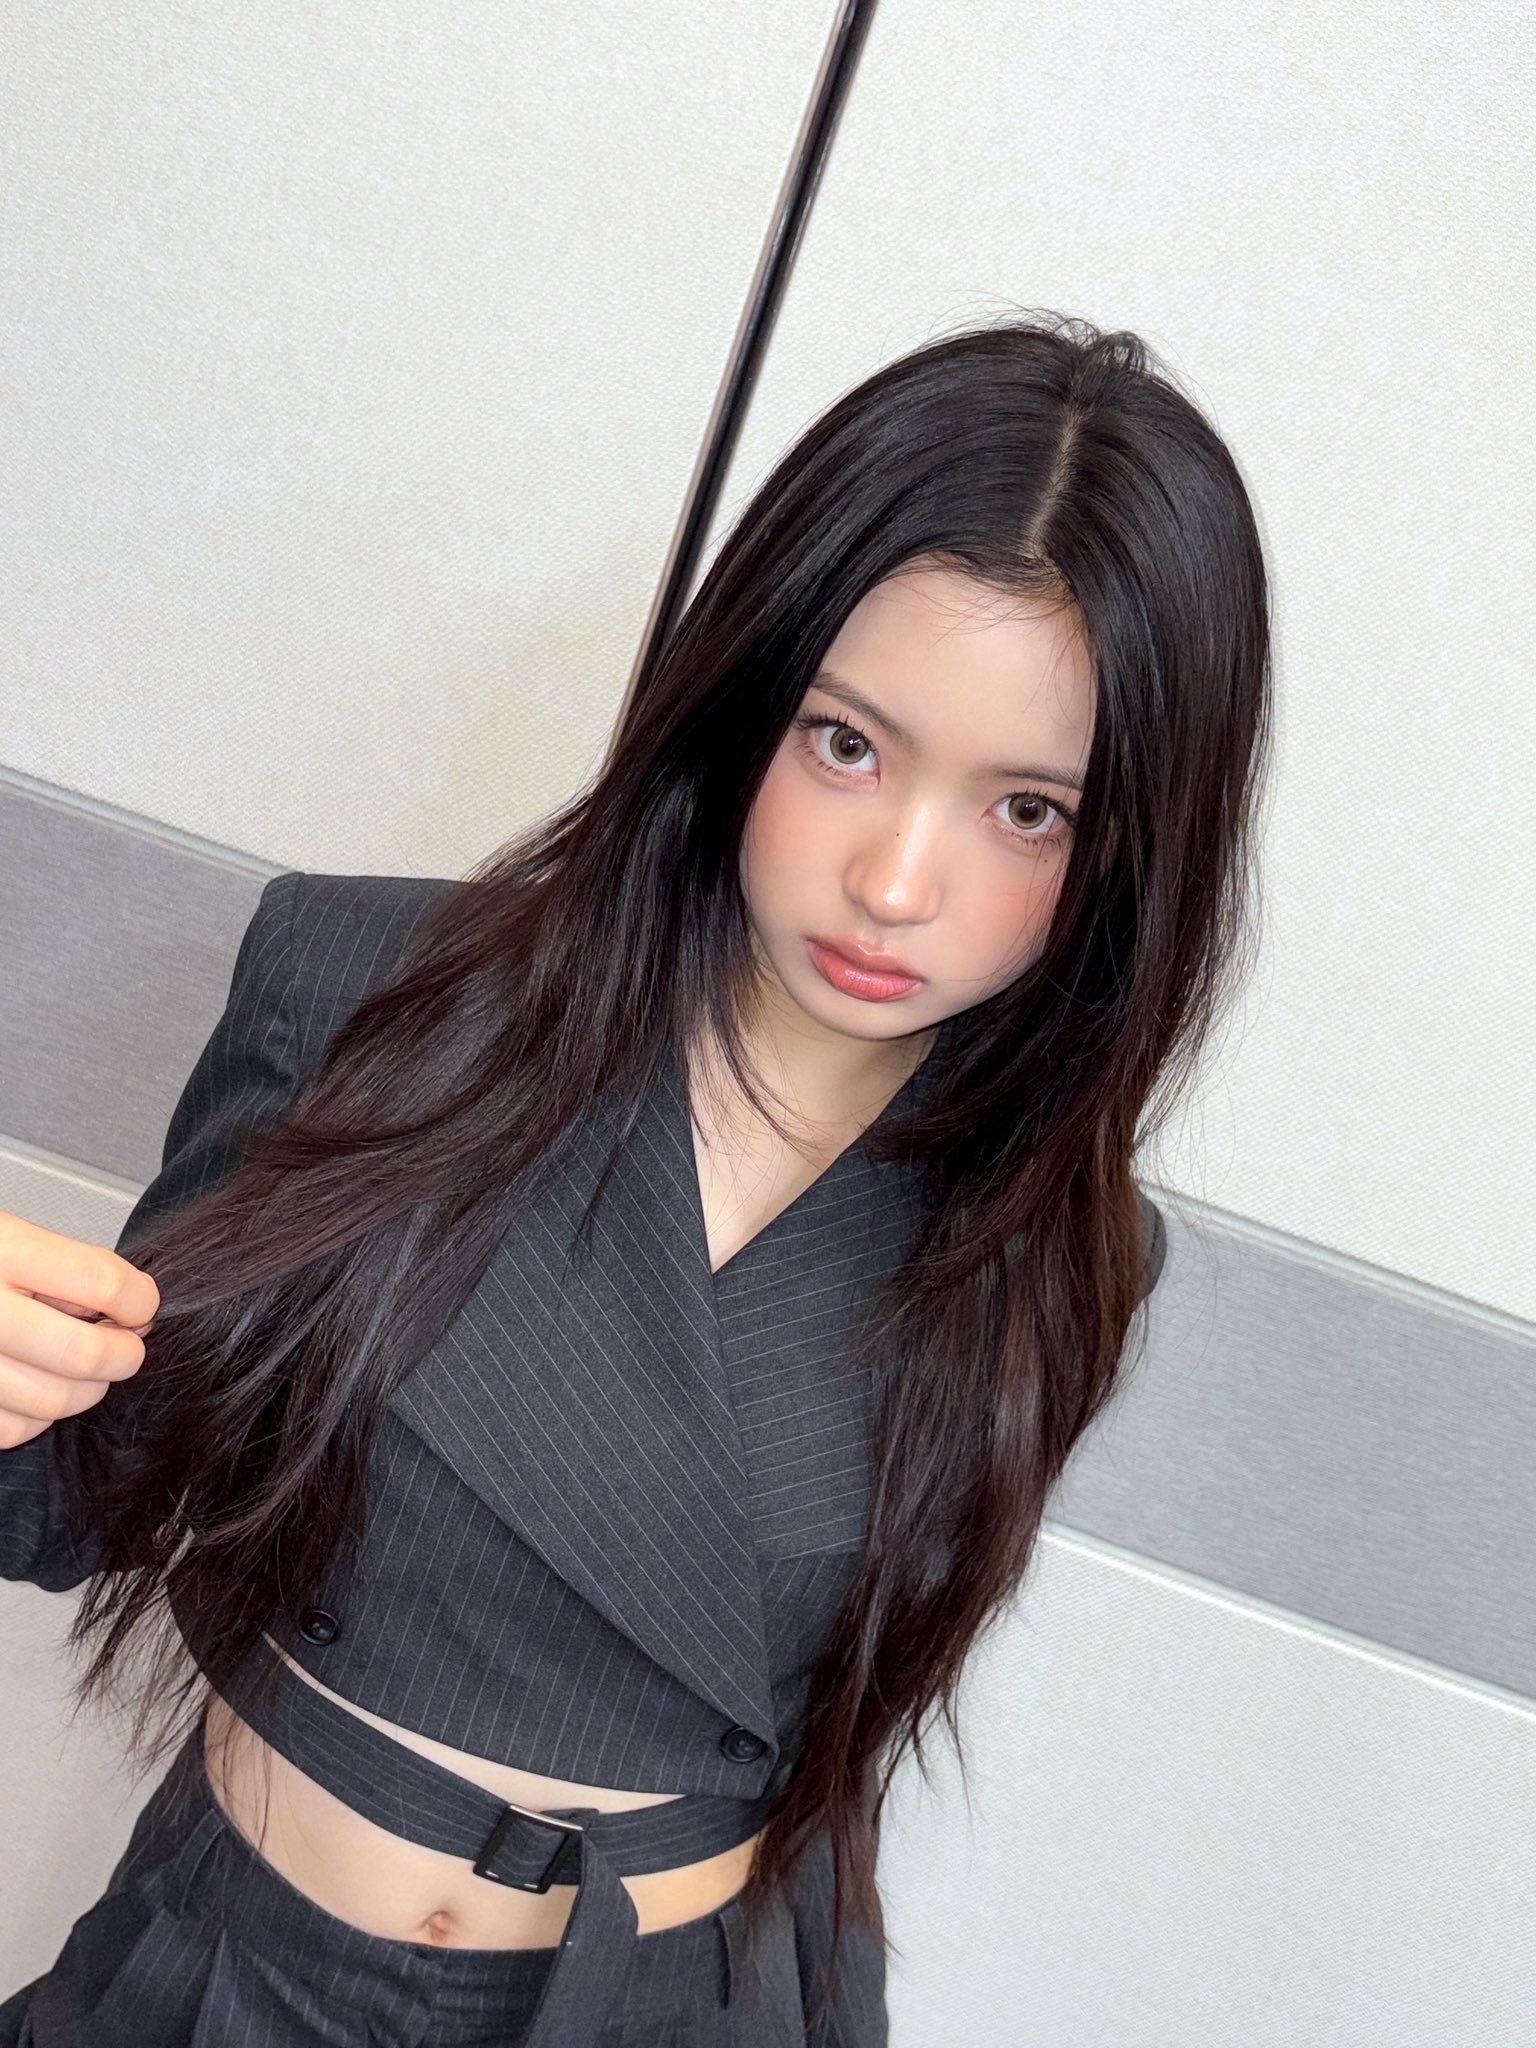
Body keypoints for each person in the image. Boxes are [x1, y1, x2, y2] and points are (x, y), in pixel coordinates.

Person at [0, 312, 1271, 2047]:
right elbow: (78, 1501)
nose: (898, 881)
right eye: (847, 744)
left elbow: (826, 1743)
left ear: (1134, 848)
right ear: (745, 695)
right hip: (239, 1970)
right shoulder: (369, 992)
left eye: (1027, 810)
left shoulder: (1057, 1245)